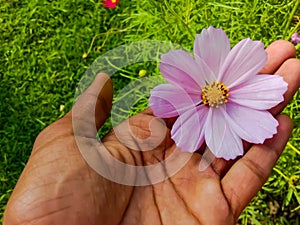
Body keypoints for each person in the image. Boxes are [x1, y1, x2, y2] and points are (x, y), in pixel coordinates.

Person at [3, 40, 300, 225]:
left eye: (219, 91)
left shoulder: (229, 98)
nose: (217, 94)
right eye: (214, 92)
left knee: (268, 120)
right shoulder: (190, 118)